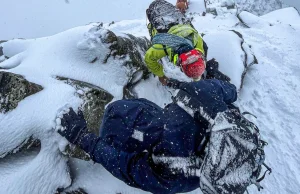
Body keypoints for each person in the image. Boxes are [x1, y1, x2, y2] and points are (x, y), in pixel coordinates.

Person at [57, 79, 240, 194]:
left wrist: (82, 137)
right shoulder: (185, 176)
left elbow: (124, 165)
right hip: (138, 122)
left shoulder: (175, 169)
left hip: (128, 129)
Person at [145, 0, 229, 86]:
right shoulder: (163, 45)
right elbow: (149, 58)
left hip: (170, 12)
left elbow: (200, 51)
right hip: (155, 12)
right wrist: (160, 75)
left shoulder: (196, 39)